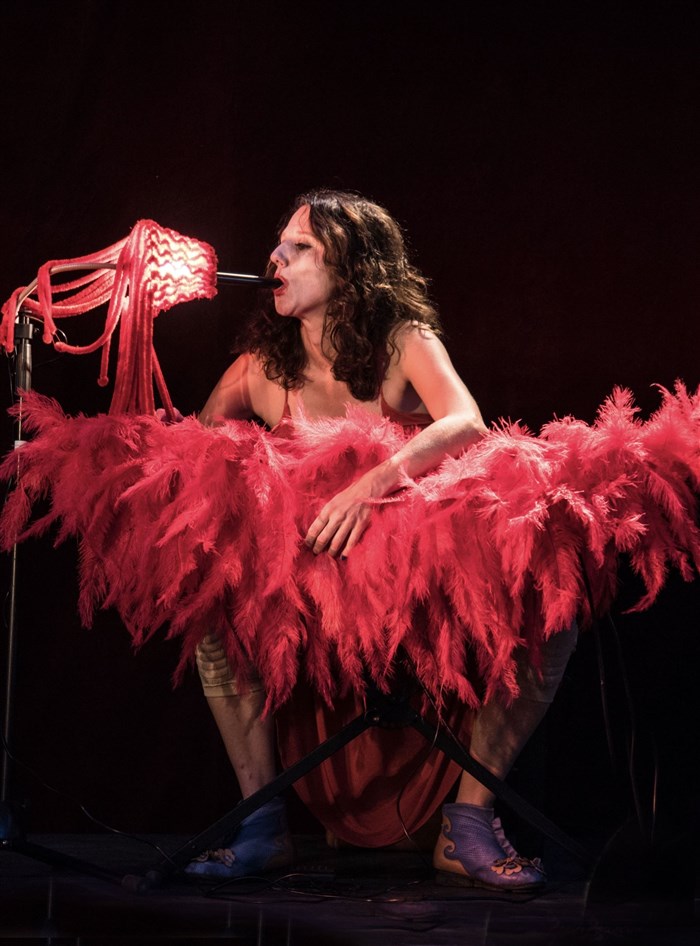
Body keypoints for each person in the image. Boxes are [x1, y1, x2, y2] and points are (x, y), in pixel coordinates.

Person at [185, 189, 577, 891]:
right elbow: (198, 454)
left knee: (553, 607)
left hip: (418, 578)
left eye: (300, 247)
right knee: (211, 604)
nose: (276, 258)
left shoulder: (404, 341)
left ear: (351, 267)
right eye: (279, 244)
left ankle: (467, 822)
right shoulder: (260, 365)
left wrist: (373, 483)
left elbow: (465, 421)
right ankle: (261, 821)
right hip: (311, 585)